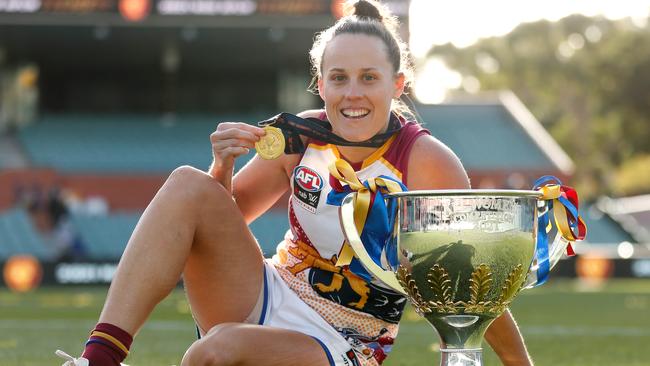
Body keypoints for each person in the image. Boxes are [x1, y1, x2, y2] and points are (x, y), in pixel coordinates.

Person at [58, 1, 533, 365]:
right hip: (268, 289)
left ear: (397, 85)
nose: (352, 93)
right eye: (339, 78)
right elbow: (218, 219)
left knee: (213, 352)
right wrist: (220, 165)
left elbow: (472, 289)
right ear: (320, 84)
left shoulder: (428, 163)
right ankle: (96, 360)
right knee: (188, 184)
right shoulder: (299, 135)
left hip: (346, 339)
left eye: (369, 78)